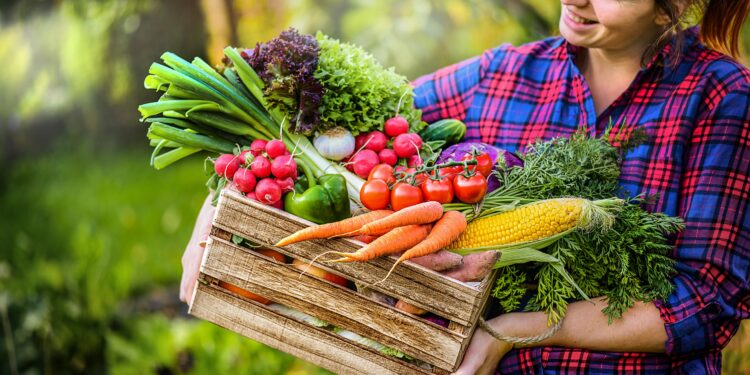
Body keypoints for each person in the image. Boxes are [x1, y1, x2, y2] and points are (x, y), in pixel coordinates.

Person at [180, 0, 750, 373]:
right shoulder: (502, 74)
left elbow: (705, 302)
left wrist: (511, 332)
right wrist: (219, 205)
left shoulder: (722, 99)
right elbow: (343, 132)